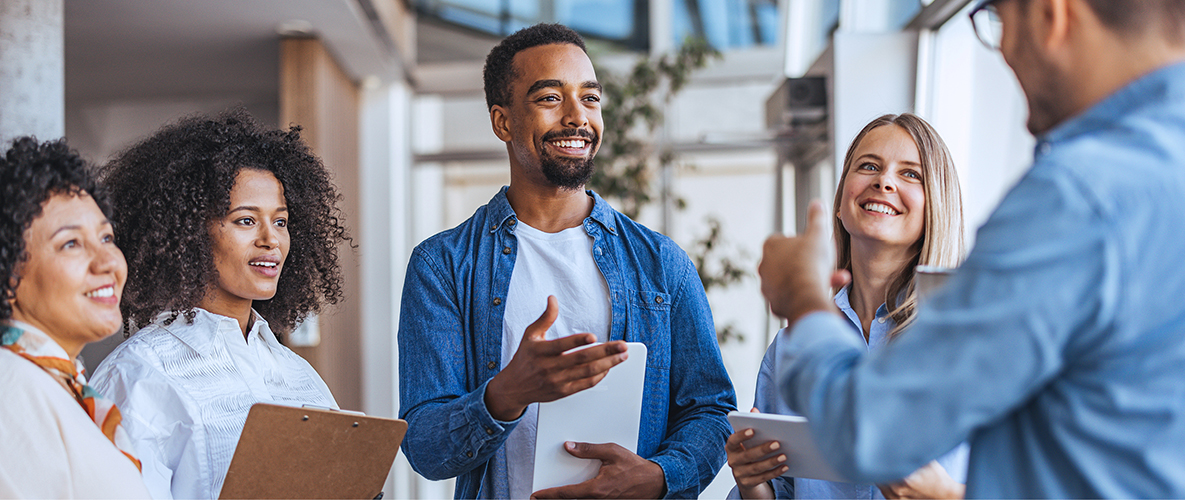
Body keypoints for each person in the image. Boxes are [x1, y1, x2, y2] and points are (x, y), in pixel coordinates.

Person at [757, 0, 1185, 497]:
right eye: (868, 167)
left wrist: (801, 296)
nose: (1004, 52)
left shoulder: (1080, 195)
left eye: (1001, 23)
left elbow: (872, 433)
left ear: (1053, 16)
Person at [398, 23, 737, 499]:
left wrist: (659, 477)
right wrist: (506, 394)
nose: (578, 117)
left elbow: (711, 410)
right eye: (550, 98)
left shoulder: (663, 264)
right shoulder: (442, 266)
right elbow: (424, 447)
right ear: (503, 121)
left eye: (590, 98)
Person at [90, 109, 351, 500]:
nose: (271, 240)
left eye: (280, 222)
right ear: (190, 232)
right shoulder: (139, 375)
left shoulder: (298, 374)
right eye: (246, 221)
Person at [727, 114, 969, 499]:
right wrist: (751, 479)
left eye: (911, 174)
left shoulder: (970, 339)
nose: (883, 181)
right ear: (841, 201)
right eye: (869, 166)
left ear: (935, 206)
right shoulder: (794, 345)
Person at [0, 137, 151, 499]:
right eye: (71, 243)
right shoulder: (13, 389)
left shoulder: (59, 383)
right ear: (8, 277)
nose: (109, 263)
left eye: (106, 237)